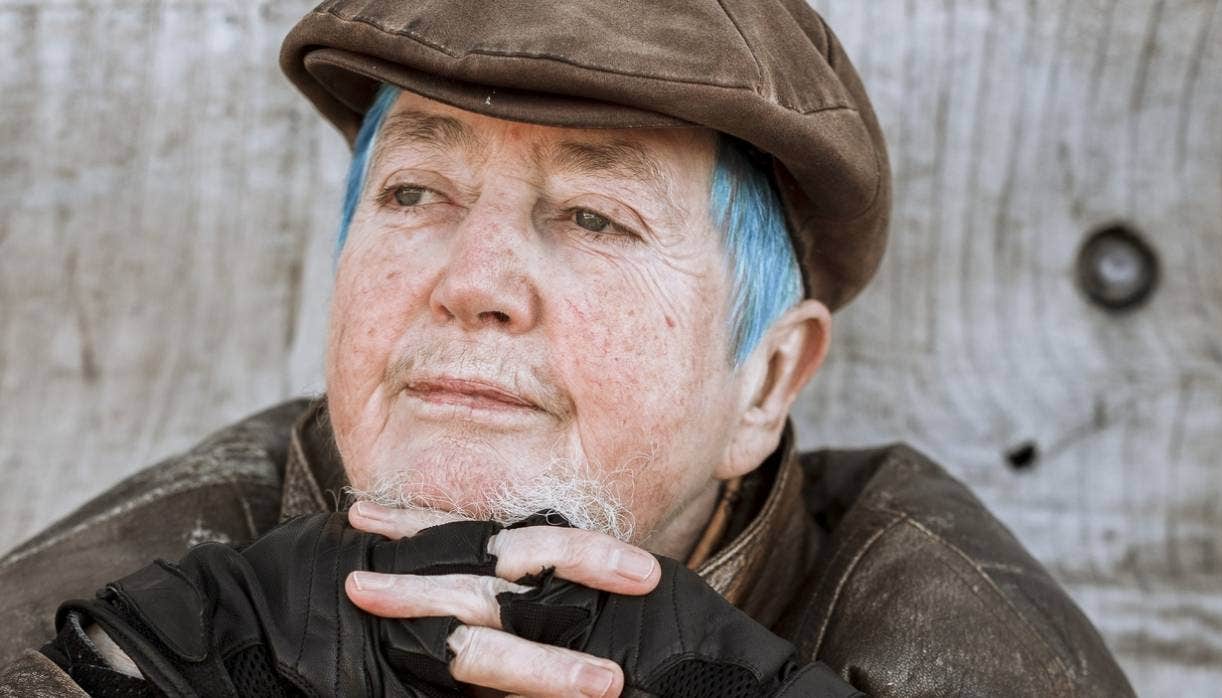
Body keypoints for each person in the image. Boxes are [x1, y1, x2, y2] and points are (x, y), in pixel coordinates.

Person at [0, 1, 1135, 696]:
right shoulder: (141, 611)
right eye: (415, 192)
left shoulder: (956, 636)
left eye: (594, 215)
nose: (473, 284)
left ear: (767, 379)